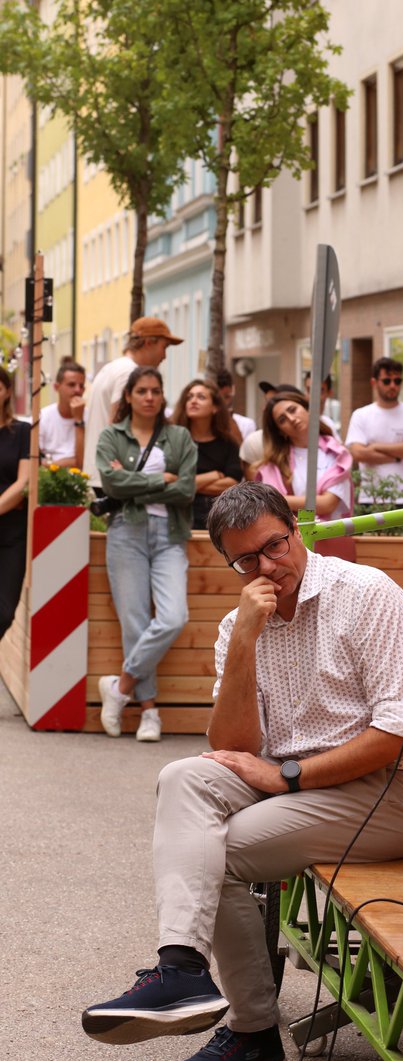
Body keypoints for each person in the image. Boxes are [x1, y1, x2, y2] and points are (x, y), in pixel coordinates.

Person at [81, 481, 403, 1061]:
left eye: (275, 546)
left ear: (295, 527)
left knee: (212, 855)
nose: (268, 567)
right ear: (231, 562)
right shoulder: (238, 622)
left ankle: (252, 1035)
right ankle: (182, 969)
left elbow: (400, 734)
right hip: (291, 782)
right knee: (182, 777)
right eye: (247, 559)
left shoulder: (369, 595)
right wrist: (245, 641)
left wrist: (286, 775)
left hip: (387, 791)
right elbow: (232, 747)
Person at [95, 366, 197, 742]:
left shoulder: (179, 437)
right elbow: (110, 483)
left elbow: (186, 490)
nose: (150, 397)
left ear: (162, 395)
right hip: (126, 532)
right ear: (130, 396)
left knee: (173, 617)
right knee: (135, 622)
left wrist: (132, 485)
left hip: (170, 534)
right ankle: (149, 712)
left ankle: (119, 687)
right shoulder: (112, 436)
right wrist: (159, 480)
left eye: (155, 390)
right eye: (142, 391)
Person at [83, 316, 184, 490]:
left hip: (100, 474)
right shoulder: (129, 372)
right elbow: (117, 424)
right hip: (113, 478)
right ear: (148, 343)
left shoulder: (113, 367)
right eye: (164, 347)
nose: (164, 356)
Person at [255, 390, 354, 559]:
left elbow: (328, 503)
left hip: (334, 545)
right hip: (294, 551)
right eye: (282, 419)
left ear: (308, 408)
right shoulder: (274, 465)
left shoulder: (336, 453)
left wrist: (278, 499)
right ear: (280, 431)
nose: (292, 419)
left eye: (292, 409)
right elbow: (268, 510)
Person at [345, 357, 403, 505]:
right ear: (374, 383)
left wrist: (374, 447)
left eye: (397, 381)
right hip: (372, 498)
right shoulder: (361, 415)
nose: (392, 385)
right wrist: (399, 454)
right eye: (386, 381)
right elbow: (358, 453)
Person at [172, 379, 244, 530]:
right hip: (177, 518)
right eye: (190, 397)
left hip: (216, 518)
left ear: (215, 407)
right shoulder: (173, 440)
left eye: (201, 397)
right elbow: (170, 483)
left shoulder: (228, 443)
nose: (193, 401)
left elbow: (232, 483)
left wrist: (186, 484)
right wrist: (213, 476)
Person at [0, 368, 31, 641]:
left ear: (7, 391)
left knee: (4, 611)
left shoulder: (22, 431)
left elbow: (24, 483)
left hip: (12, 534)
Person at [239, 383, 304, 475]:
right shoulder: (255, 442)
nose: (265, 408)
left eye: (292, 410)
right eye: (266, 402)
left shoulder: (328, 445)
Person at [39, 360, 87, 468]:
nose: (77, 390)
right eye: (71, 385)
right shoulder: (42, 417)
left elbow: (81, 464)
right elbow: (34, 463)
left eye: (81, 386)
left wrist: (79, 421)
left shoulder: (90, 417)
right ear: (56, 387)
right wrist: (66, 463)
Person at [215, 368, 256, 441]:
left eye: (226, 397)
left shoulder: (246, 424)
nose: (223, 403)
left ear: (233, 390)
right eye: (218, 399)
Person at [302, 370, 341, 439]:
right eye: (309, 390)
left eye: (319, 390)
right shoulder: (301, 422)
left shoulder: (328, 423)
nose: (312, 395)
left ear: (329, 393)